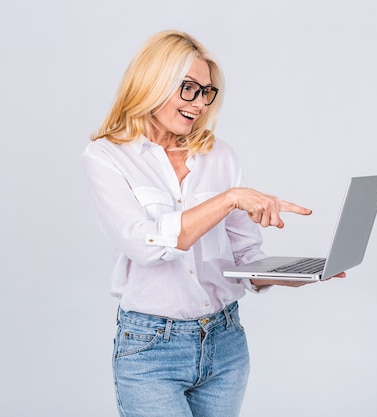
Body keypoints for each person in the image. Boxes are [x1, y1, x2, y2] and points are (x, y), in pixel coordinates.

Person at [82, 30, 345, 417]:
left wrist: (286, 275)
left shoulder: (218, 155)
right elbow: (143, 245)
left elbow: (244, 254)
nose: (200, 103)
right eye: (188, 88)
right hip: (151, 349)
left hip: (225, 344)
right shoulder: (106, 156)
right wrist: (228, 199)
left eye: (207, 92)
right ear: (152, 81)